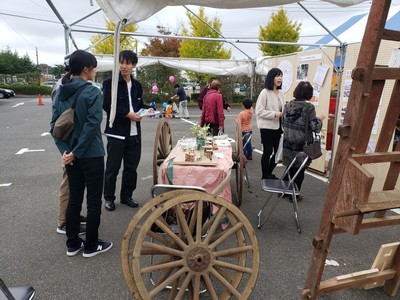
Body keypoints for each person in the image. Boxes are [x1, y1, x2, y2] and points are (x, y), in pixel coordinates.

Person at [50, 49, 112, 258]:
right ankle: (91, 246)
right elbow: (92, 125)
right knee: (94, 201)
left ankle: (72, 243)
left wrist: (66, 153)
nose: (95, 71)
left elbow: (54, 127)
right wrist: (76, 152)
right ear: (86, 69)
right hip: (91, 155)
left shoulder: (60, 92)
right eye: (94, 67)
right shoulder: (92, 92)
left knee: (75, 198)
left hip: (70, 157)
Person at [102, 50, 151, 212]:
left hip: (134, 133)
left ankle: (126, 196)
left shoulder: (137, 85)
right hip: (116, 132)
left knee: (131, 167)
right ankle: (109, 198)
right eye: (121, 62)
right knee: (112, 168)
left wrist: (148, 110)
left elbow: (138, 105)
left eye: (127, 63)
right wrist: (126, 114)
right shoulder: (111, 83)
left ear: (134, 65)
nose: (123, 66)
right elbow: (107, 104)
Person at [51, 58, 86, 236]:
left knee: (73, 184)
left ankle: (72, 216)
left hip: (68, 143)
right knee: (68, 183)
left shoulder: (63, 83)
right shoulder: (63, 86)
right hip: (70, 143)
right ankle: (63, 222)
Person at [282, 81, 325, 201]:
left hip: (287, 142)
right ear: (309, 94)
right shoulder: (309, 107)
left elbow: (283, 123)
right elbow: (315, 126)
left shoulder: (288, 105)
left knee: (290, 166)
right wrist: (319, 119)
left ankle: (283, 191)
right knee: (300, 170)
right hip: (301, 144)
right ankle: (294, 195)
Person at [255, 67, 285, 180]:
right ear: (271, 78)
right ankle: (265, 176)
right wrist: (274, 114)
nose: (280, 78)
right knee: (267, 152)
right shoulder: (264, 92)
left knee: (278, 153)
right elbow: (259, 111)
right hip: (267, 127)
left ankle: (269, 172)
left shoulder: (281, 93)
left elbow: (283, 108)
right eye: (277, 76)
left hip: (278, 127)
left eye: (281, 76)